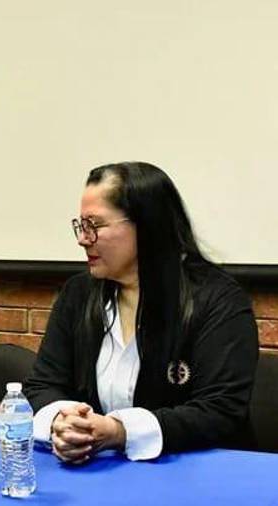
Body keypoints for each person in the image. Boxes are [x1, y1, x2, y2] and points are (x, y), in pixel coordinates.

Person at [24, 162, 258, 462]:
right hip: (99, 474)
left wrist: (120, 431)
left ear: (147, 225)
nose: (83, 239)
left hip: (194, 476)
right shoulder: (79, 295)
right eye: (81, 226)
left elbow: (220, 410)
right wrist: (63, 422)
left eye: (94, 226)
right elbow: (43, 384)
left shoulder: (219, 301)